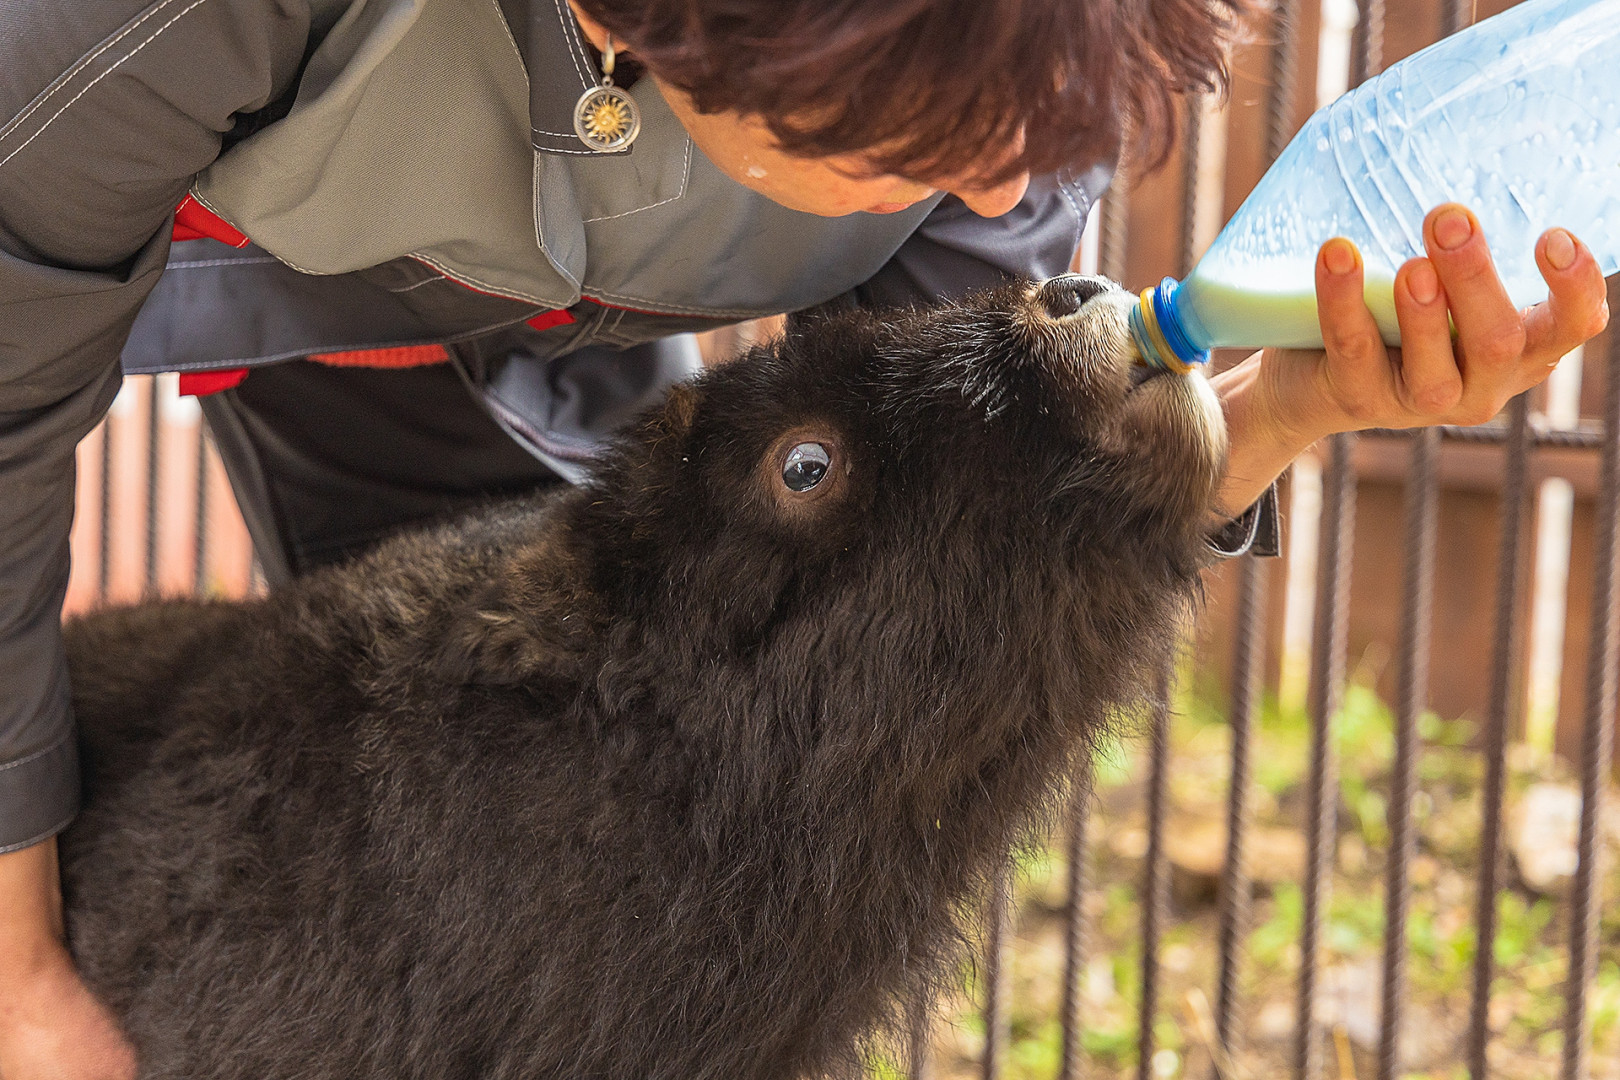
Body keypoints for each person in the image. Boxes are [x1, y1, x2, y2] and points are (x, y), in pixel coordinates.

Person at [0, 0, 1608, 1076]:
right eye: (921, 138)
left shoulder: (1000, 85)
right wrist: (20, 983)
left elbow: (944, 534)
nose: (998, 176)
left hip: (521, 291)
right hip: (137, 198)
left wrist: (1273, 410)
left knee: (551, 754)